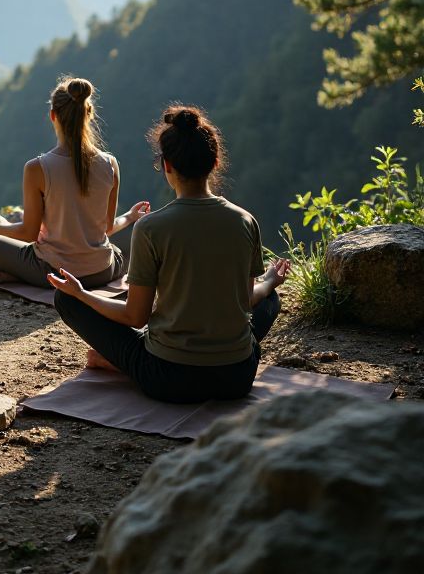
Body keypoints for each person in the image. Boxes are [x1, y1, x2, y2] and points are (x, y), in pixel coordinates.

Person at [49, 105, 291, 404]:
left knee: (66, 299)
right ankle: (123, 361)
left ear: (167, 166)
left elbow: (135, 317)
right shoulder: (244, 221)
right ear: (215, 162)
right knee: (269, 298)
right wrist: (269, 281)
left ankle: (119, 362)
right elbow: (244, 301)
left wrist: (81, 292)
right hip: (236, 377)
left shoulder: (151, 228)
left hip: (168, 379)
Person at [0, 76, 149, 288]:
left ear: (53, 115)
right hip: (103, 272)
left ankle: (21, 275)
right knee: (138, 230)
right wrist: (130, 217)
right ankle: (21, 274)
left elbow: (28, 234)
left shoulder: (37, 168)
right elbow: (106, 228)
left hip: (52, 274)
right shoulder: (110, 164)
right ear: (90, 114)